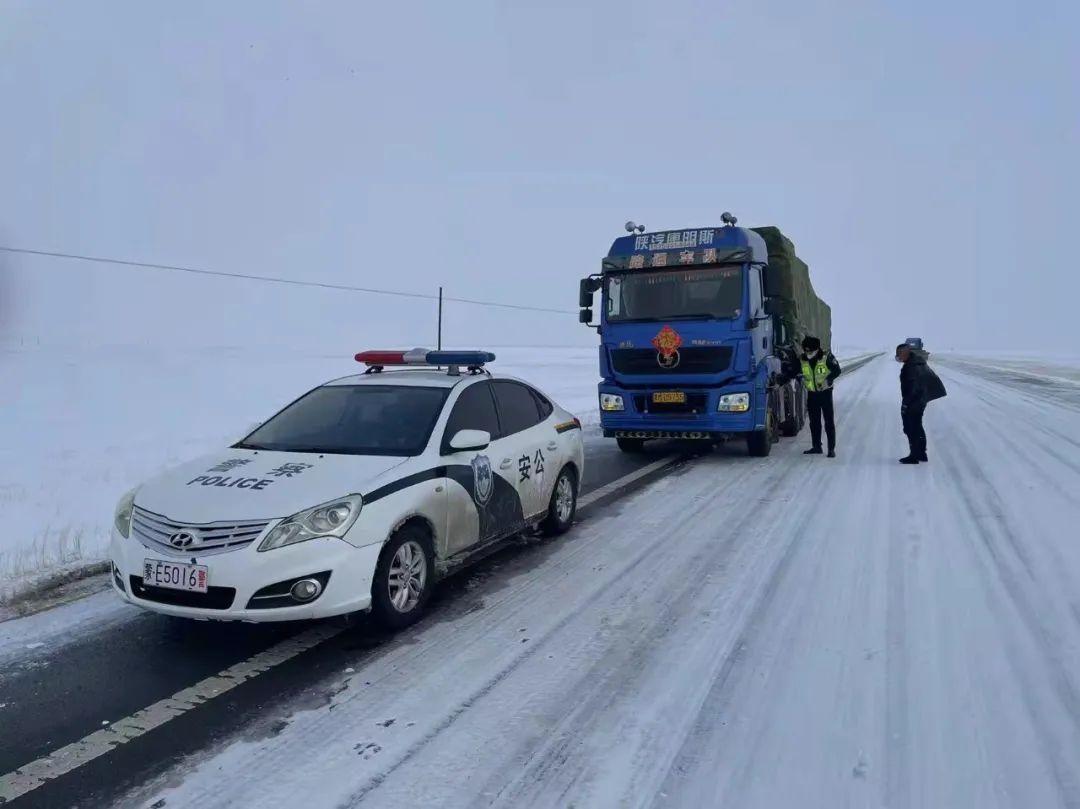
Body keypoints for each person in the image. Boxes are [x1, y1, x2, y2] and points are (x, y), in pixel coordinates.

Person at [896, 342, 947, 464]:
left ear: (905, 353)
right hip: (920, 399)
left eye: (899, 354)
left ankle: (914, 456)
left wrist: (906, 404)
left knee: (911, 427)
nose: (898, 356)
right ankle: (921, 453)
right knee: (917, 425)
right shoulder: (916, 362)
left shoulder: (912, 366)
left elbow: (913, 388)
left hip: (915, 400)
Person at [799, 335, 842, 457]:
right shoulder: (803, 359)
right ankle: (816, 446)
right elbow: (798, 371)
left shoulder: (827, 357)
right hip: (812, 394)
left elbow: (837, 370)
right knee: (814, 422)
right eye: (806, 351)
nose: (808, 353)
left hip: (825, 393)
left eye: (810, 351)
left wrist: (828, 380)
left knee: (829, 421)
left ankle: (831, 449)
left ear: (817, 349)